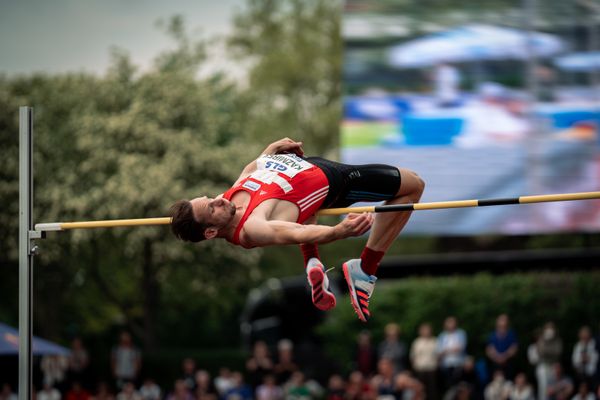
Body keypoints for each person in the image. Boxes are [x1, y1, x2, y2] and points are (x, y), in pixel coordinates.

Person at [169, 138, 425, 322]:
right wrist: (340, 231)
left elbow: (254, 168)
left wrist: (271, 149)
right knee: (414, 184)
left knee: (300, 210)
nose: (218, 200)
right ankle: (365, 270)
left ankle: (312, 261)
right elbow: (297, 233)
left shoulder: (228, 199)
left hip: (307, 167)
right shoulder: (252, 228)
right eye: (211, 209)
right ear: (211, 232)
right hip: (338, 180)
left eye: (209, 197)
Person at [438, 317, 468, 391]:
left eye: (452, 322)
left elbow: (461, 347)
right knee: (449, 385)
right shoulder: (442, 336)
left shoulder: (461, 333)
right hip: (446, 364)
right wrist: (452, 349)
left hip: (459, 363)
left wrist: (447, 350)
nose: (451, 325)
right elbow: (439, 351)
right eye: (449, 323)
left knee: (459, 384)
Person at [486, 314, 519, 379]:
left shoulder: (511, 334)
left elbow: (514, 348)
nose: (503, 322)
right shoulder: (492, 335)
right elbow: (489, 349)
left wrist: (504, 356)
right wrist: (497, 357)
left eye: (504, 320)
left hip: (508, 363)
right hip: (495, 364)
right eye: (501, 320)